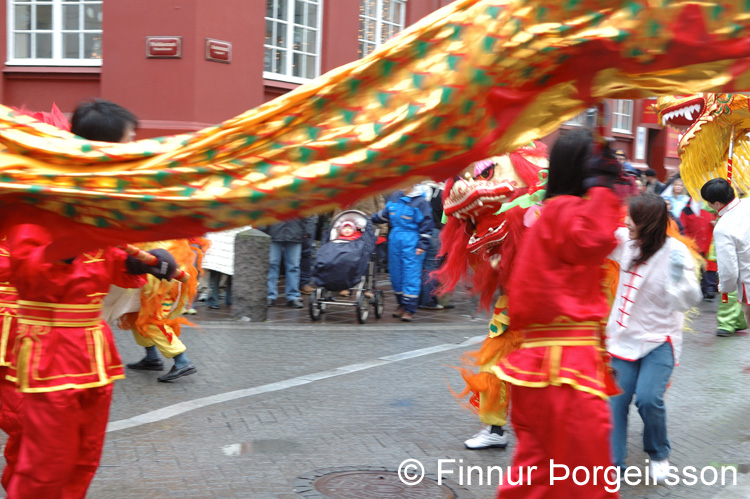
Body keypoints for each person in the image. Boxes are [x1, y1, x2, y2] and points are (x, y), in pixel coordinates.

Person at [493, 129, 621, 498]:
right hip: (565, 373)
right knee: (587, 481)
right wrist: (601, 189)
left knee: (536, 478)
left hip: (540, 369)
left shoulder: (549, 215)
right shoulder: (566, 211)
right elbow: (593, 239)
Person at [72, 100, 200, 384]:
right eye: (130, 137)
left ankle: (181, 360)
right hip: (145, 259)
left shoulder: (130, 182)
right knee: (135, 314)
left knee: (149, 316)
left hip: (157, 259)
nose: (134, 143)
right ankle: (153, 356)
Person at [606, 194, 701, 482]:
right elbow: (592, 238)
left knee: (648, 399)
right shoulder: (626, 242)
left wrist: (679, 281)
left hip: (660, 340)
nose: (625, 221)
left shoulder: (676, 253)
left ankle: (658, 452)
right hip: (623, 338)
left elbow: (689, 300)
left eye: (632, 216)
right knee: (615, 402)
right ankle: (613, 464)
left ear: (646, 222)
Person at [372, 185, 434, 322]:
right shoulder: (395, 196)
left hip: (412, 241)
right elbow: (385, 214)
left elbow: (427, 225)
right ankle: (401, 303)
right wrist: (369, 219)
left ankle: (409, 309)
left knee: (410, 275)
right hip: (395, 239)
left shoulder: (421, 202)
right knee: (396, 275)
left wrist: (422, 244)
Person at [700, 178, 750, 326]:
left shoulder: (723, 228)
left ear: (716, 203)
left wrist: (725, 287)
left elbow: (729, 269)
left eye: (708, 201)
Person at [264, 218, 308, 308]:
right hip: (275, 231)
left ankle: (292, 296)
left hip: (295, 231)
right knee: (272, 264)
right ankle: (270, 295)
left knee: (293, 266)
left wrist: (306, 231)